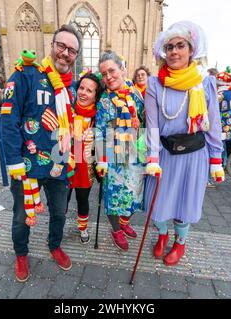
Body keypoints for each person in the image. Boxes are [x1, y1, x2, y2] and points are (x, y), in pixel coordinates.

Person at [1, 24, 82, 282]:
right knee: (22, 215)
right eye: (62, 46)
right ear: (52, 45)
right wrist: (13, 161)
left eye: (71, 50)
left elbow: (75, 126)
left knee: (59, 212)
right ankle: (21, 253)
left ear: (75, 56)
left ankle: (54, 245)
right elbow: (8, 120)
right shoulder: (26, 75)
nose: (65, 53)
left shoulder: (71, 89)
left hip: (59, 163)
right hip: (27, 165)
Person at [144, 21, 224, 266]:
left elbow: (214, 124)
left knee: (184, 204)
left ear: (191, 50)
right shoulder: (155, 84)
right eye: (169, 47)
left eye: (180, 46)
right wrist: (153, 158)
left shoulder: (205, 83)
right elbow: (152, 125)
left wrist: (216, 161)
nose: (174, 52)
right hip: (166, 154)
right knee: (158, 203)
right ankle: (162, 235)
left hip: (194, 155)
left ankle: (180, 242)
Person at [95, 50, 145, 252]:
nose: (108, 77)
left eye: (112, 71)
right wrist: (101, 159)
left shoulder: (137, 94)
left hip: (135, 154)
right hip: (113, 157)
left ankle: (125, 222)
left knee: (134, 194)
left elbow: (144, 122)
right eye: (104, 74)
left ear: (123, 69)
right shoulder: (104, 102)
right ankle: (116, 229)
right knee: (113, 197)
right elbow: (98, 131)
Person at [67, 72, 103, 244]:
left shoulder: (98, 118)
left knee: (82, 200)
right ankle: (57, 226)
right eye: (81, 88)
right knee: (61, 201)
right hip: (65, 166)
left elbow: (103, 144)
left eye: (89, 90)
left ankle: (83, 228)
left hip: (85, 168)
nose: (83, 93)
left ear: (95, 96)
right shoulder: (68, 111)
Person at [216, 69, 231, 165]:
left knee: (219, 146)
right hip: (230, 125)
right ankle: (225, 164)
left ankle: (220, 164)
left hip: (219, 125)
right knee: (225, 144)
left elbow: (214, 110)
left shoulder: (219, 95)